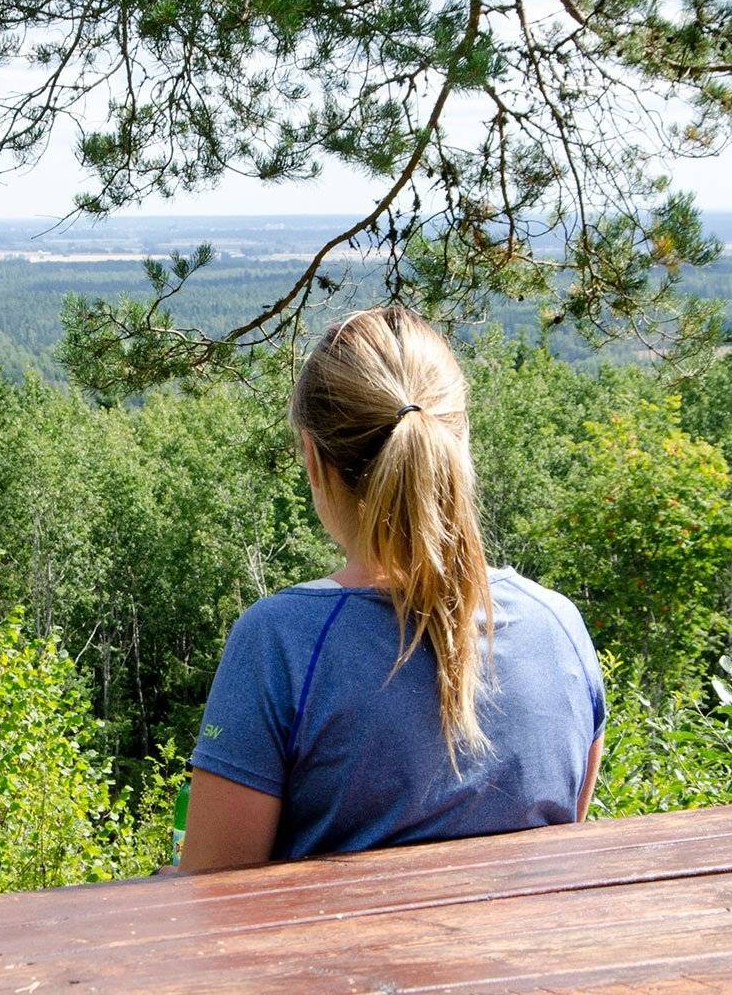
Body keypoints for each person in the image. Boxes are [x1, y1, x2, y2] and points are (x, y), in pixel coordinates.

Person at [179, 306, 605, 874]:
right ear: (461, 440)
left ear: (313, 458)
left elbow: (214, 890)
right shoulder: (558, 626)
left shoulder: (279, 643)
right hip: (528, 958)